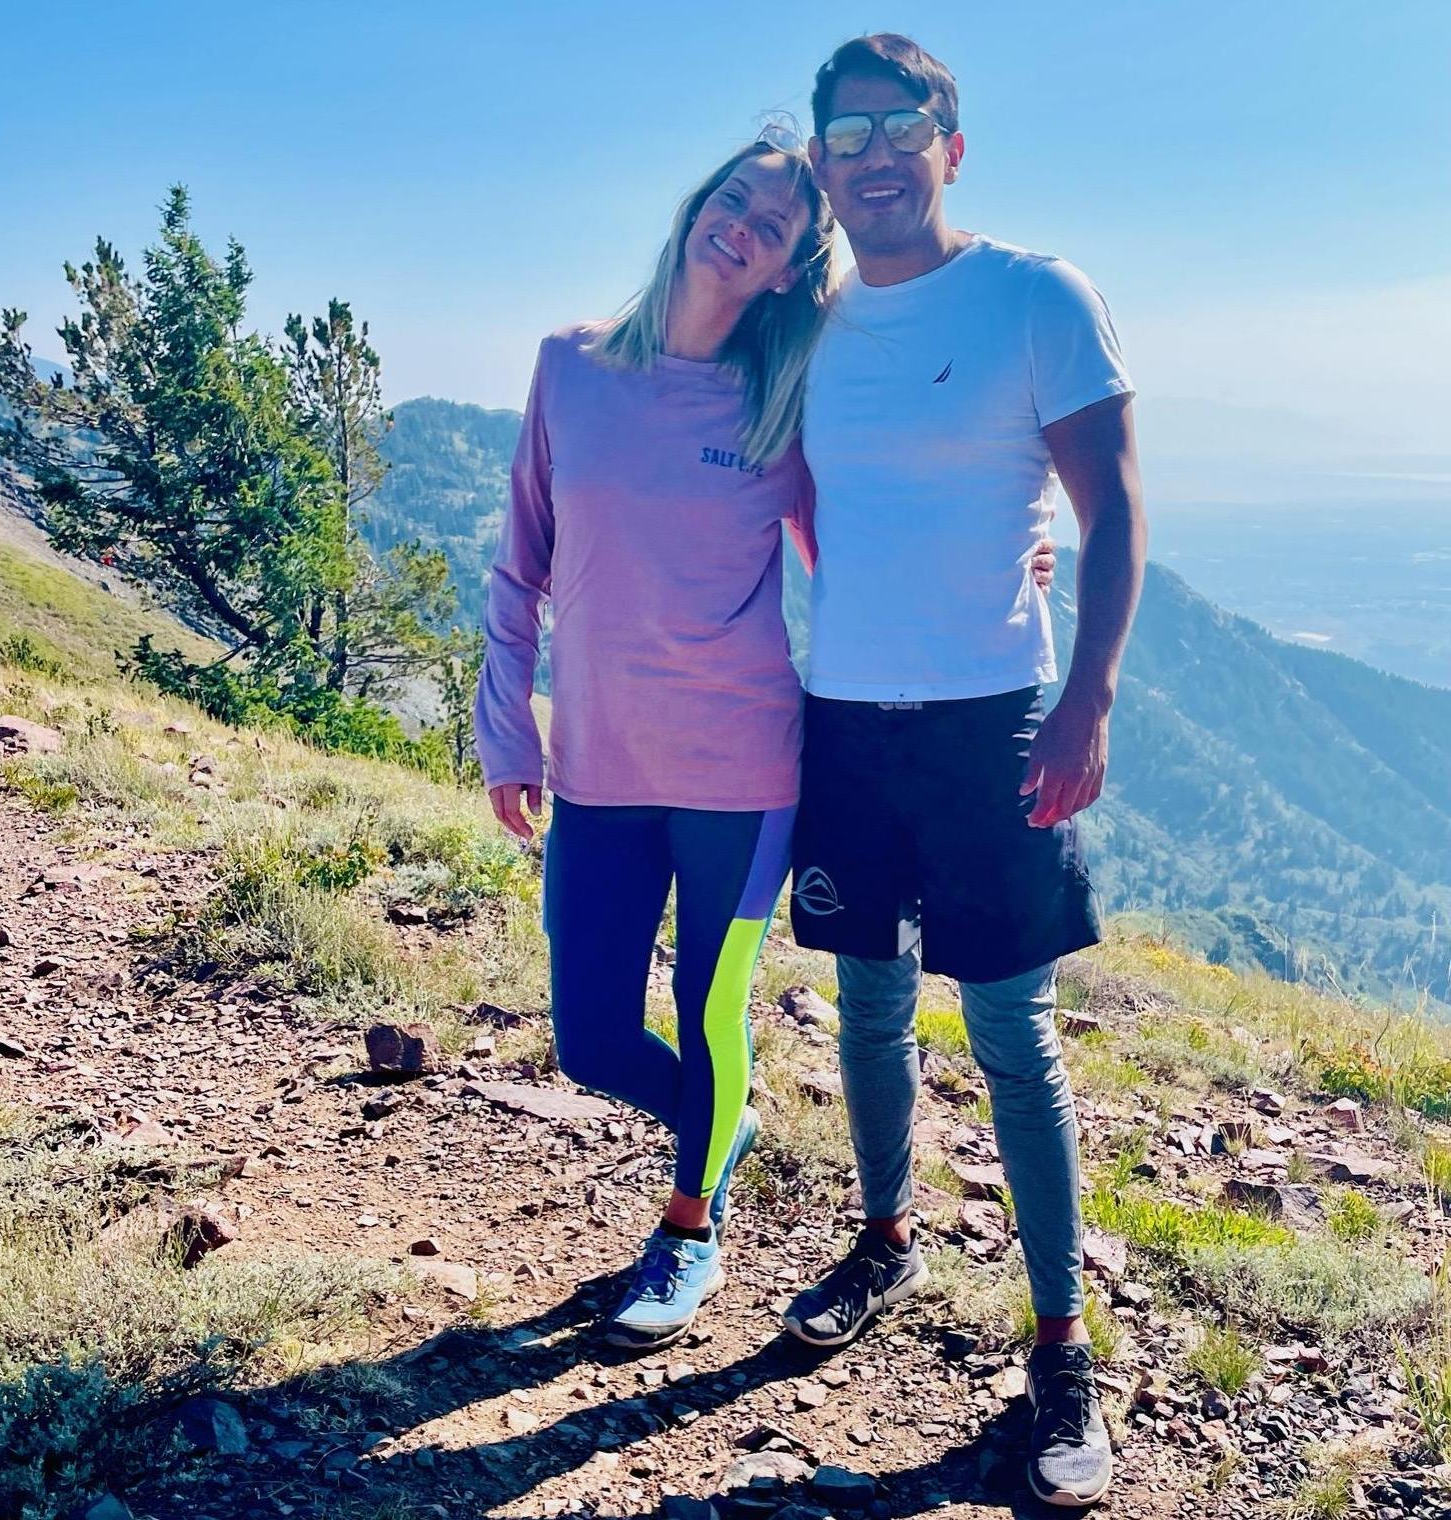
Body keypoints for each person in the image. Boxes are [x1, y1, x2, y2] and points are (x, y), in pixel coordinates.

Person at [474, 126, 1063, 1353]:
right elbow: (518, 562)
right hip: (594, 764)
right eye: (733, 196)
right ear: (699, 202)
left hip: (740, 766)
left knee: (709, 1007)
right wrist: (505, 729)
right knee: (586, 1035)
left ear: (791, 268)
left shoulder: (779, 403)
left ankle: (688, 1227)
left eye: (775, 225)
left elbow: (860, 542)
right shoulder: (566, 364)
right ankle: (719, 1120)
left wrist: (1012, 543)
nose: (740, 222)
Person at [779, 35, 1147, 1511]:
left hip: (995, 717)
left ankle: (1061, 1352)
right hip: (843, 719)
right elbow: (805, 497)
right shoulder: (805, 320)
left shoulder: (1034, 298)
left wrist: (1086, 702)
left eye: (903, 124)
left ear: (952, 143)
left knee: (1012, 1030)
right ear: (821, 163)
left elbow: (1113, 513)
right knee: (865, 998)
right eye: (847, 131)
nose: (875, 151)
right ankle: (885, 1237)